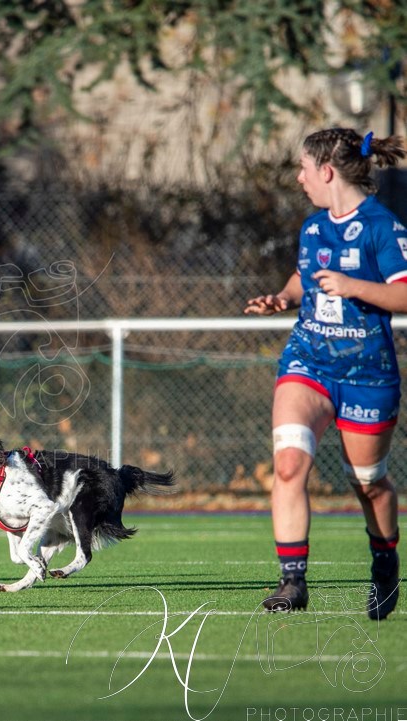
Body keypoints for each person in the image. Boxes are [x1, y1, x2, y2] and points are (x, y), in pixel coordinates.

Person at [245, 128, 406, 619]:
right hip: (308, 361)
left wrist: (354, 285)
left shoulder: (384, 227)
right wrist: (284, 297)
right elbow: (304, 276)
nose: (300, 178)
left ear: (328, 171)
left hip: (367, 374)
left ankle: (384, 563)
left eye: (304, 168)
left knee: (369, 482)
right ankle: (292, 583)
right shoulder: (314, 228)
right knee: (289, 465)